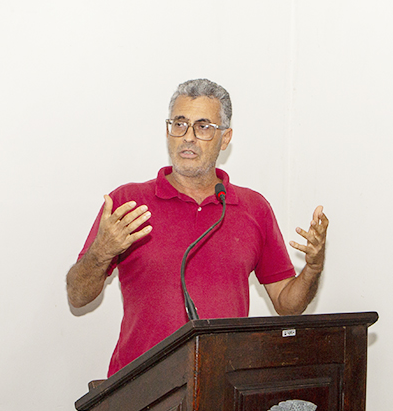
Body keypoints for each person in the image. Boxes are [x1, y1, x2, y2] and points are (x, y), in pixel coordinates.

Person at [66, 79, 328, 376]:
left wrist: (313, 268)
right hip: (141, 387)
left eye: (203, 127)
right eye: (179, 124)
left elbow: (287, 305)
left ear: (225, 138)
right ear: (168, 131)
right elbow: (77, 296)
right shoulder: (128, 202)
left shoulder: (254, 208)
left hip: (224, 383)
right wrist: (101, 252)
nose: (188, 137)